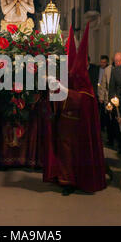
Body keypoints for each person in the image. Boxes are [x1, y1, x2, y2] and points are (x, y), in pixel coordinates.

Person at [45, 23, 106, 195]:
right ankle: (66, 180)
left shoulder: (85, 80)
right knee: (65, 153)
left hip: (79, 123)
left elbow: (86, 99)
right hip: (64, 121)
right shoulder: (64, 76)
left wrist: (66, 92)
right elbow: (56, 96)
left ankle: (80, 179)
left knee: (78, 153)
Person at [108, 51, 121, 154]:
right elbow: (112, 88)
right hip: (119, 103)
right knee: (119, 126)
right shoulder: (116, 71)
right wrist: (111, 102)